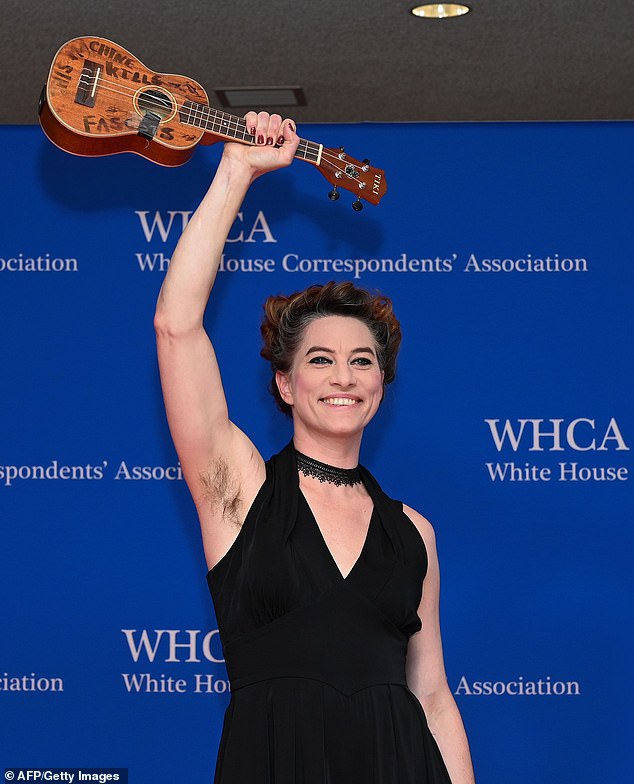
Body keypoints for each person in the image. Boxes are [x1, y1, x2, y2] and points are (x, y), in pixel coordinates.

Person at [153, 111, 476, 784]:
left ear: (381, 384)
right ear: (285, 383)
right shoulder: (238, 490)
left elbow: (434, 697)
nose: (343, 377)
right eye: (321, 360)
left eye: (363, 362)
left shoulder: (413, 532)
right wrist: (237, 170)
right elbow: (177, 326)